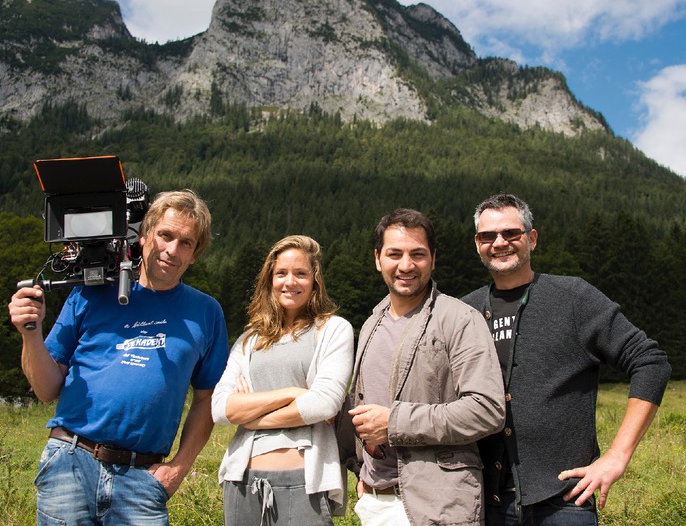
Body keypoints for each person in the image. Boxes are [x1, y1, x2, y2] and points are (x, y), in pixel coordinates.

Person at [9, 189, 229, 526]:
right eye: (165, 235)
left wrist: (178, 470)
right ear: (143, 236)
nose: (172, 250)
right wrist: (30, 333)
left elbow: (207, 399)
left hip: (143, 479)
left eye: (186, 243)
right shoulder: (90, 291)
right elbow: (45, 388)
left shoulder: (206, 312)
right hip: (70, 460)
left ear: (195, 255)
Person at [462, 193, 672, 525]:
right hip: (485, 504)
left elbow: (650, 361)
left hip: (563, 503)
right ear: (477, 244)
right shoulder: (465, 312)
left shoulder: (574, 298)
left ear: (531, 238)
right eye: (488, 236)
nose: (499, 242)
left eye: (510, 233)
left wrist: (618, 456)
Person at [341, 208, 506, 526]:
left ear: (433, 258)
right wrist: (360, 469)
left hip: (437, 506)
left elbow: (488, 410)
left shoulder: (460, 320)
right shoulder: (372, 322)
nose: (406, 265)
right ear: (378, 259)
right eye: (394, 254)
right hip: (375, 503)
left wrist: (395, 422)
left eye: (417, 254)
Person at [212, 235, 354, 526]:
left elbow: (324, 404)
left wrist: (252, 417)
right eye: (281, 273)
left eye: (300, 273)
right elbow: (220, 408)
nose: (290, 282)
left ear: (315, 280)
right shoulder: (249, 339)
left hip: (304, 481)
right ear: (270, 280)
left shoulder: (333, 330)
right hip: (242, 480)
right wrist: (293, 392)